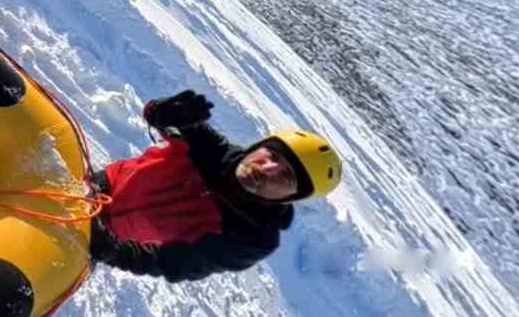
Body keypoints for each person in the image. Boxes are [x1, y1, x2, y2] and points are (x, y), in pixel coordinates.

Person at [89, 90, 344, 282]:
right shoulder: (211, 149)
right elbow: (154, 114)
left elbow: (171, 261)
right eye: (274, 156)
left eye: (286, 177)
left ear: (290, 196)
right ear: (259, 147)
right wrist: (162, 110)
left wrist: (110, 250)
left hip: (107, 239)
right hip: (96, 186)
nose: (267, 170)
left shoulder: (252, 238)